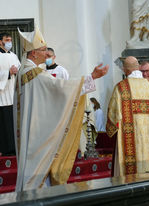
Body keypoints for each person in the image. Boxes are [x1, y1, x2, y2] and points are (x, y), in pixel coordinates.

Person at [15, 27, 109, 192]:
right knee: (38, 182)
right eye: (43, 50)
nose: (46, 54)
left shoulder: (23, 71)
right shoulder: (35, 73)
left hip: (31, 128)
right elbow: (60, 89)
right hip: (38, 134)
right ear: (33, 53)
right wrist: (91, 78)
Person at [106, 56, 149, 176]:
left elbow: (113, 116)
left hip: (130, 143)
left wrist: (110, 129)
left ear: (125, 70)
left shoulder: (121, 88)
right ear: (138, 68)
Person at [0, 32, 20, 156]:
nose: (9, 42)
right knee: (3, 124)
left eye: (10, 40)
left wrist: (18, 72)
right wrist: (8, 73)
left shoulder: (13, 55)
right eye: (7, 40)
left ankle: (14, 148)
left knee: (13, 124)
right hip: (2, 96)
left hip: (13, 94)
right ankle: (4, 149)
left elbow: (20, 69)